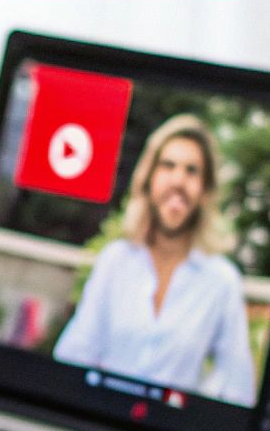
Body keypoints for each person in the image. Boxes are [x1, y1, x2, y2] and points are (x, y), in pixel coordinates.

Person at [53, 114, 256, 405]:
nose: (178, 180)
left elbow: (238, 387)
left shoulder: (222, 281)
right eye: (168, 165)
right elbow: (75, 354)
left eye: (192, 171)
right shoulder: (115, 260)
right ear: (149, 179)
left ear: (205, 190)